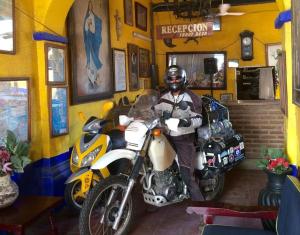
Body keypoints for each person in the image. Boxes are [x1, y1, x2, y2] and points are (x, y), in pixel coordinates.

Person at [154, 65, 204, 201]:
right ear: (167, 80)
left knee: (187, 173)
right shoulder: (162, 97)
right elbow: (153, 111)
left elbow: (199, 119)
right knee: (154, 165)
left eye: (177, 79)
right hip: (166, 137)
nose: (174, 81)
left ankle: (200, 206)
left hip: (184, 138)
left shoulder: (192, 97)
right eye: (171, 79)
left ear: (183, 79)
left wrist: (184, 122)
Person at [83, 0, 102, 89]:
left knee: (94, 59)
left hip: (94, 41)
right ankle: (91, 79)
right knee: (90, 60)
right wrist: (88, 26)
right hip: (89, 41)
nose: (90, 7)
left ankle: (94, 79)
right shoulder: (87, 17)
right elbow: (85, 30)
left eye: (91, 5)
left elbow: (96, 28)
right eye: (89, 5)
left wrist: (92, 27)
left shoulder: (95, 18)